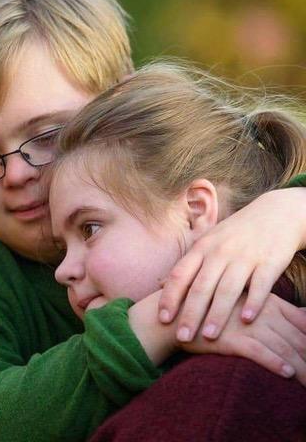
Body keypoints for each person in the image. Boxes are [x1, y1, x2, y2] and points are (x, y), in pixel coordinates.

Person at [0, 0, 306, 441]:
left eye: (49, 135)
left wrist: (291, 211)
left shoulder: (196, 181)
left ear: (121, 101)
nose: (18, 174)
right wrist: (161, 323)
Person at [48, 61, 306, 440]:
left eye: (89, 228)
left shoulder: (211, 399)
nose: (62, 271)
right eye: (60, 248)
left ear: (195, 211)